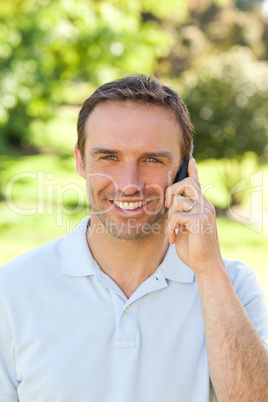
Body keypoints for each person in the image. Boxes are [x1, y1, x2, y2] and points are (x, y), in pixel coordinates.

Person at [0, 74, 267, 402]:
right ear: (80, 160)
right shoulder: (11, 291)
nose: (129, 183)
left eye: (152, 159)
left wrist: (209, 269)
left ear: (185, 171)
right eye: (109, 157)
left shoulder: (233, 288)